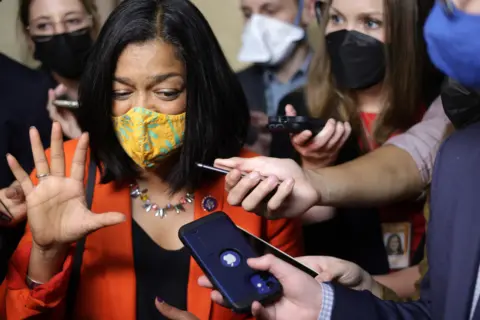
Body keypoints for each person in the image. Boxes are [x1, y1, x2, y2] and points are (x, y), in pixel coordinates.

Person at [1, 0, 303, 319]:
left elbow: (292, 310)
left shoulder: (257, 186)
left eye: (166, 92)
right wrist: (46, 254)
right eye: (121, 93)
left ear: (202, 91)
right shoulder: (62, 173)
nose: (141, 113)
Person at [212, 0, 480, 317]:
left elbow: (413, 162)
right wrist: (313, 169)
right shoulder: (301, 108)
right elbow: (306, 236)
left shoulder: (446, 107)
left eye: (370, 23)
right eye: (337, 18)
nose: (348, 35)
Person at [236, 0, 313, 156]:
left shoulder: (339, 81)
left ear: (307, 10)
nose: (256, 25)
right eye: (248, 14)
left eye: (270, 11)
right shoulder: (233, 87)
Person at [18, 0, 101, 139]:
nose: (60, 32)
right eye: (43, 25)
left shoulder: (125, 84)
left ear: (93, 24)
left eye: (72, 20)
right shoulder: (24, 106)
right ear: (29, 37)